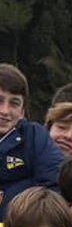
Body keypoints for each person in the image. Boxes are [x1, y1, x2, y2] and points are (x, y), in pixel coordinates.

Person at [0, 62, 63, 215]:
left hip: (19, 226)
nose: (5, 111)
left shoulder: (35, 137)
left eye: (14, 103)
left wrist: (9, 202)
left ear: (22, 111)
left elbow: (54, 187)